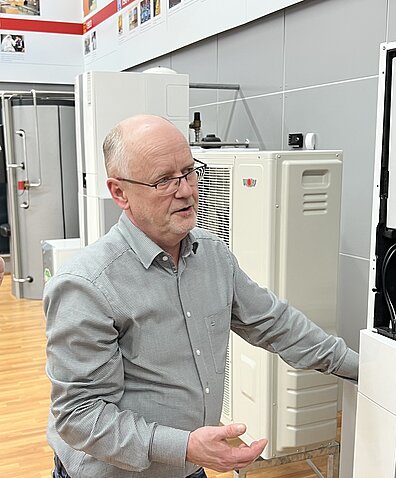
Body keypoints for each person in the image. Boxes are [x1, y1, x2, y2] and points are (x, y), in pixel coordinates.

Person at [44, 114, 359, 478]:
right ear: (119, 193)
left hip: (188, 465)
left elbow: (276, 323)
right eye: (163, 180)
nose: (186, 191)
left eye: (189, 172)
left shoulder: (213, 256)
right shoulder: (86, 285)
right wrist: (185, 446)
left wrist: (365, 370)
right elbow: (79, 416)